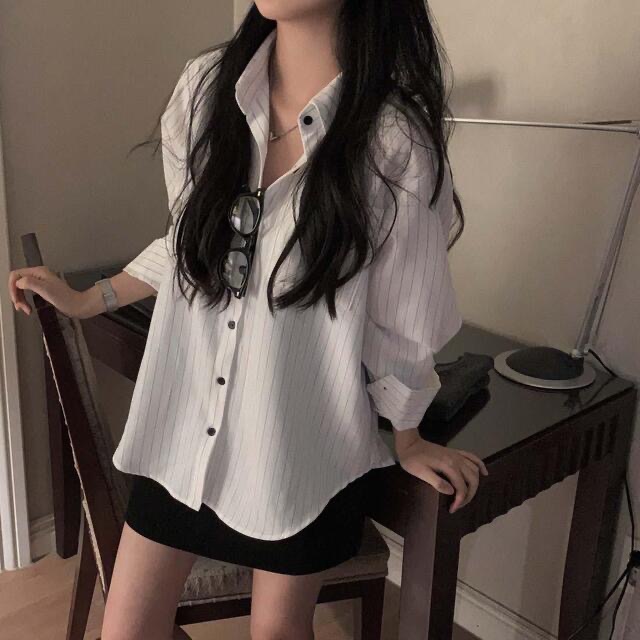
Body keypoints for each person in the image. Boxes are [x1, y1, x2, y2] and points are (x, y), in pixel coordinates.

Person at [9, 1, 489, 639]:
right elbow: (191, 243)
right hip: (181, 437)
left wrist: (409, 437)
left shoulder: (393, 142)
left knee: (278, 633)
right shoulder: (205, 91)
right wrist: (88, 297)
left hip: (297, 451)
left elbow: (400, 319)